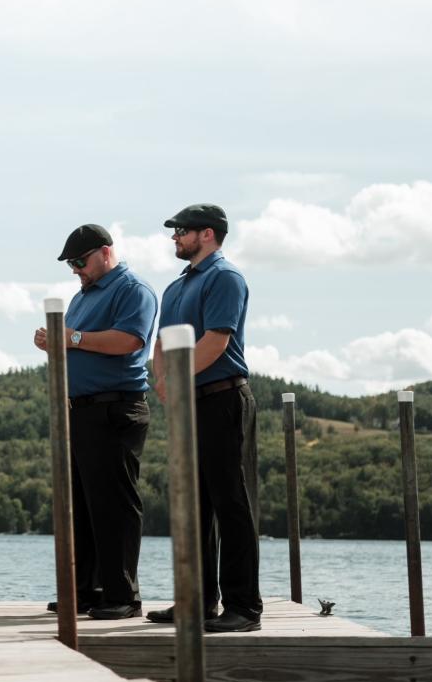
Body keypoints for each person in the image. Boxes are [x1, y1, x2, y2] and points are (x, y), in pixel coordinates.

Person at [147, 203, 262, 632]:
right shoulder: (175, 287)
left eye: (182, 230)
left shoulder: (225, 277)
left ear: (208, 234)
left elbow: (216, 342)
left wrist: (173, 379)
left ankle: (244, 608)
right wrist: (162, 381)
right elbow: (161, 344)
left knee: (230, 503)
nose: (175, 237)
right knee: (191, 506)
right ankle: (195, 602)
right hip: (188, 402)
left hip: (222, 399)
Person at [34, 224, 157, 621]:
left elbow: (129, 341)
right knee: (83, 505)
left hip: (115, 408)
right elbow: (77, 343)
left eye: (80, 261)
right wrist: (56, 341)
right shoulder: (82, 297)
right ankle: (86, 590)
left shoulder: (133, 290)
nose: (75, 270)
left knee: (114, 505)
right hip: (82, 409)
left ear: (105, 252)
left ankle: (123, 595)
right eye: (71, 264)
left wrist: (71, 338)